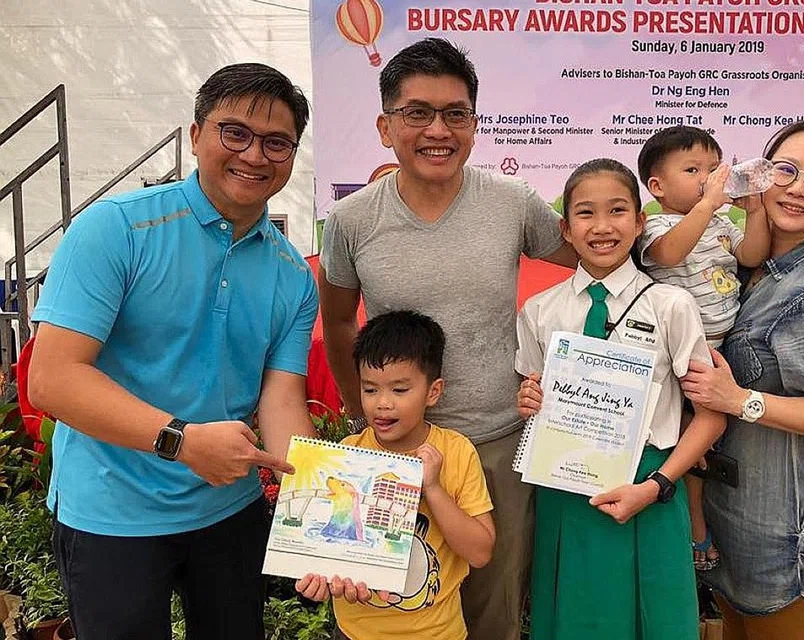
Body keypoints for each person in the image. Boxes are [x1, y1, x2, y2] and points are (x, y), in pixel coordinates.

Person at [28, 63, 318, 640]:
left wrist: (322, 518)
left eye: (276, 142)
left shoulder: (292, 274)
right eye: (235, 132)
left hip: (228, 509)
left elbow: (282, 401)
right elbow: (52, 379)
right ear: (196, 134)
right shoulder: (115, 230)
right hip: (111, 513)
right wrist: (181, 442)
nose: (254, 155)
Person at [319, 37, 576, 640]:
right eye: (417, 113)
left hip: (496, 443)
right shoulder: (352, 220)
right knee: (392, 605)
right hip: (394, 450)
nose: (438, 130)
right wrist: (361, 413)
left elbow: (595, 261)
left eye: (454, 113)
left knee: (492, 612)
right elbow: (338, 321)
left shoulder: (513, 203)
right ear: (386, 126)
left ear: (474, 124)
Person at [680, 120, 804, 640]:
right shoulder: (747, 266)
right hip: (726, 509)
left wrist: (739, 399)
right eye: (785, 171)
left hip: (774, 523)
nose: (797, 189)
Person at [515, 158, 726, 640]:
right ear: (565, 229)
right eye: (585, 213)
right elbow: (534, 400)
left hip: (650, 488)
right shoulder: (540, 311)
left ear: (640, 221)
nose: (602, 227)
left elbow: (711, 418)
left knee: (657, 622)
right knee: (575, 622)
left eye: (617, 210)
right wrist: (528, 400)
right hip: (566, 492)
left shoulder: (671, 305)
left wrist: (657, 485)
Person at [296, 310, 495, 640]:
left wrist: (434, 488)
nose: (382, 404)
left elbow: (480, 552)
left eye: (399, 390)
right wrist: (315, 580)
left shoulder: (456, 452)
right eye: (370, 390)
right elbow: (323, 545)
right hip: (355, 632)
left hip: (437, 634)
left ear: (433, 391)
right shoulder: (348, 453)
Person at [634, 125, 770, 571]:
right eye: (693, 170)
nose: (708, 178)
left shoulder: (720, 223)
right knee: (701, 430)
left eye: (713, 168)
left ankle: (693, 518)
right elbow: (670, 255)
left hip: (723, 345)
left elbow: (752, 255)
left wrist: (754, 211)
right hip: (682, 351)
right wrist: (708, 204)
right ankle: (691, 524)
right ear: (657, 187)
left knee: (706, 436)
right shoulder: (656, 225)